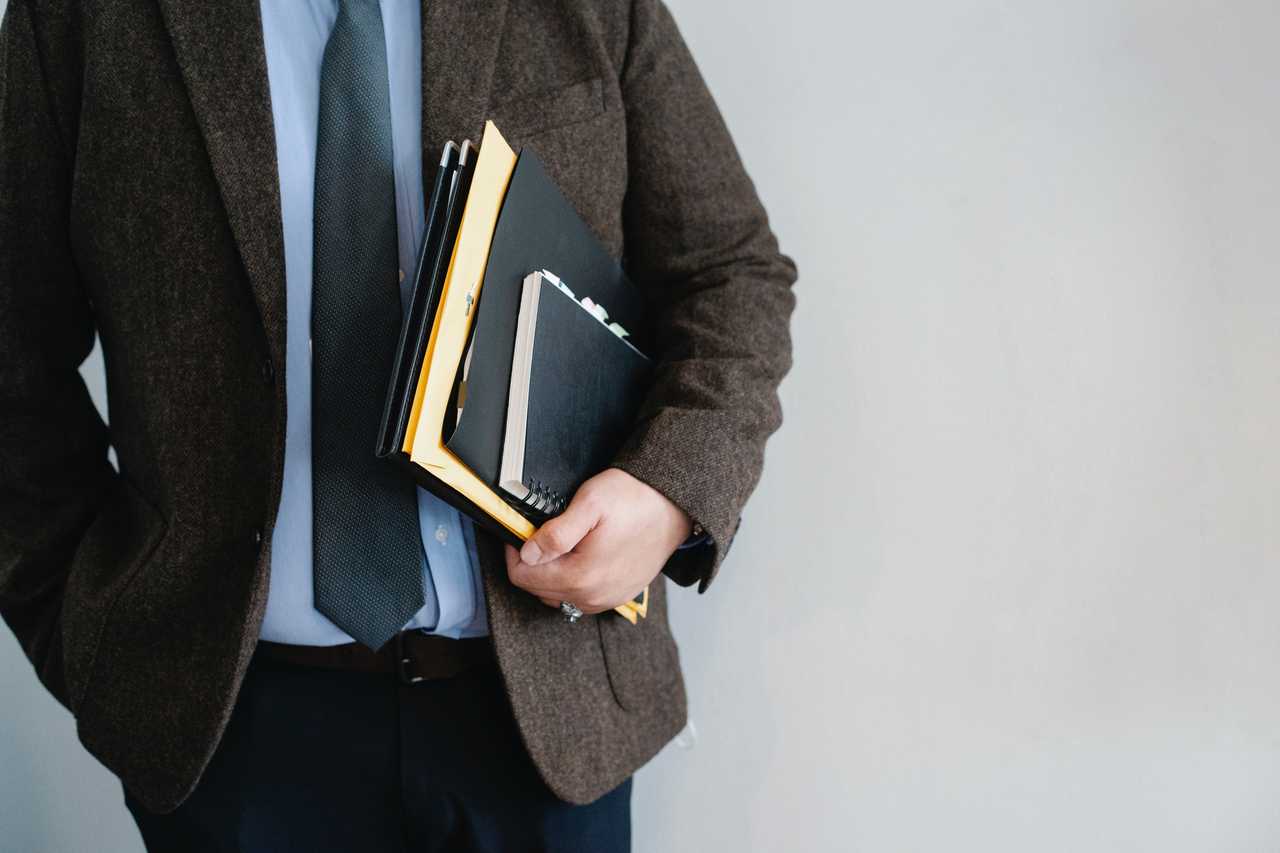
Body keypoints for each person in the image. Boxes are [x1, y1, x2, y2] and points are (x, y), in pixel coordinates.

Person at [0, 0, 795, 849]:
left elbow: (729, 272)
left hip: (547, 718)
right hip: (231, 736)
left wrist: (671, 491)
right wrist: (92, 642)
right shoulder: (80, 17)